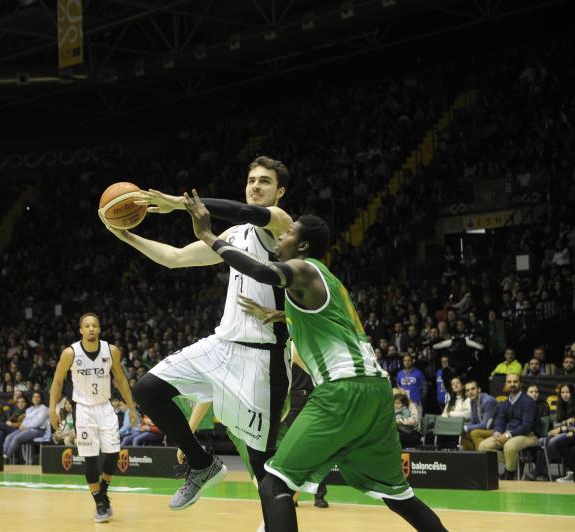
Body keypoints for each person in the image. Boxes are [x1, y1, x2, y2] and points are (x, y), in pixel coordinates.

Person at [183, 191, 446, 531]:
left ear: (303, 246)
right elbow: (323, 320)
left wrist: (207, 234)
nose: (282, 235)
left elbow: (259, 271)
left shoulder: (302, 269)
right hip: (376, 391)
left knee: (274, 484)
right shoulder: (328, 281)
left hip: (343, 390)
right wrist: (280, 314)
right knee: (398, 495)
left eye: (289, 232)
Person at [102, 156, 293, 515]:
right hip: (223, 345)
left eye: (264, 181)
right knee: (148, 389)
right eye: (251, 180)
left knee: (261, 464)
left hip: (264, 359)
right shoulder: (234, 236)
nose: (255, 186)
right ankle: (202, 463)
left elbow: (241, 211)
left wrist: (178, 204)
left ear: (280, 191)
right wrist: (125, 234)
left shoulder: (282, 224)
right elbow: (175, 258)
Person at [49, 313, 138, 523]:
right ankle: (99, 502)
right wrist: (52, 408)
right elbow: (58, 380)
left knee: (113, 454)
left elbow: (121, 380)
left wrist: (132, 408)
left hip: (106, 407)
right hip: (84, 410)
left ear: (99, 329)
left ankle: (103, 491)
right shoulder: (70, 353)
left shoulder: (111, 350)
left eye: (94, 325)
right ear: (81, 330)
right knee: (90, 458)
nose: (91, 329)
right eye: (87, 326)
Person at [478, 374, 538, 480]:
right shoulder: (506, 402)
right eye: (509, 382)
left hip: (528, 435)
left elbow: (526, 426)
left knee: (509, 446)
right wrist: (497, 432)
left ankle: (509, 474)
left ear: (520, 384)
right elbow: (500, 420)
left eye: (515, 382)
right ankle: (514, 463)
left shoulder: (528, 401)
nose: (512, 384)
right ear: (506, 384)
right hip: (509, 433)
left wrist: (508, 435)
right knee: (483, 446)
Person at [461, 380, 498, 451]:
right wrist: (462, 428)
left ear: (479, 389)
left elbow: (485, 425)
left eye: (473, 389)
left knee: (475, 433)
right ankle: (470, 457)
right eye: (467, 390)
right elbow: (473, 421)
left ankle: (482, 457)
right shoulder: (472, 401)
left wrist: (467, 428)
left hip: (496, 429)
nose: (470, 392)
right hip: (487, 429)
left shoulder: (487, 401)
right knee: (462, 433)